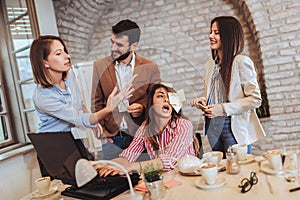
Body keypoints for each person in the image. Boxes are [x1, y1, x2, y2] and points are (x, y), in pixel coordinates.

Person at [190, 16, 265, 156]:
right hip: (212, 129)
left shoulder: (241, 62)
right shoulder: (210, 65)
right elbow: (215, 96)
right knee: (222, 171)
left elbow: (255, 99)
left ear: (228, 35)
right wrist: (204, 101)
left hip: (232, 128)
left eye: (216, 33)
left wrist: (223, 109)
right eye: (211, 32)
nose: (210, 36)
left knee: (239, 171)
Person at [30, 35, 135, 133]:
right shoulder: (42, 96)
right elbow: (78, 118)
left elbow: (80, 106)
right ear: (45, 63)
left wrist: (94, 124)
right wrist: (108, 108)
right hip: (52, 144)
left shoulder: (69, 76)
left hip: (70, 138)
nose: (67, 56)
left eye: (64, 51)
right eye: (58, 53)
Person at [91, 19, 161, 160]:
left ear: (133, 46)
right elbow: (96, 102)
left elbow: (157, 100)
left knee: (144, 178)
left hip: (141, 138)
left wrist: (142, 107)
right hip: (112, 140)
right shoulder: (99, 66)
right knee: (112, 180)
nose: (113, 48)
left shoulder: (150, 67)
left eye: (119, 45)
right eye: (112, 42)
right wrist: (103, 134)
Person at [97, 84, 196, 175]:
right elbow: (127, 156)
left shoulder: (184, 125)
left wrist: (130, 167)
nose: (166, 100)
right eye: (160, 96)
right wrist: (103, 164)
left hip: (186, 180)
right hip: (165, 179)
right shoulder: (145, 128)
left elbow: (169, 160)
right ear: (151, 104)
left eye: (170, 97)